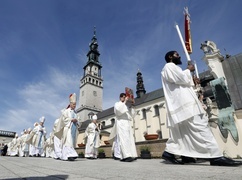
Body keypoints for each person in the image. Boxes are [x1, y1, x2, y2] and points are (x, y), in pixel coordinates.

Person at [161, 50, 242, 166]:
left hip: (182, 104)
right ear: (170, 57)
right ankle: (215, 156)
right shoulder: (169, 66)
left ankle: (179, 154)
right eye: (177, 54)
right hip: (185, 104)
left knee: (184, 133)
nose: (179, 56)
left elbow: (182, 82)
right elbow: (180, 79)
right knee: (201, 127)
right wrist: (188, 70)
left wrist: (192, 80)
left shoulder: (172, 68)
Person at [109, 93, 137, 162]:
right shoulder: (117, 104)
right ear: (120, 98)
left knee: (129, 140)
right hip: (121, 123)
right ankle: (125, 156)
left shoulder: (126, 106)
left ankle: (131, 154)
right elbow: (118, 111)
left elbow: (132, 115)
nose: (125, 99)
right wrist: (125, 102)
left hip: (127, 124)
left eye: (125, 97)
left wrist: (132, 105)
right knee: (123, 139)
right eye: (124, 97)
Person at [55, 93, 81, 161]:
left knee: (71, 142)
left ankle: (68, 155)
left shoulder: (76, 113)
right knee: (68, 142)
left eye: (75, 104)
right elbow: (64, 119)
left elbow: (79, 121)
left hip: (74, 128)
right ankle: (70, 155)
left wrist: (77, 121)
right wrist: (71, 120)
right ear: (70, 103)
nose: (74, 106)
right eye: (73, 104)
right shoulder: (66, 111)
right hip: (68, 128)